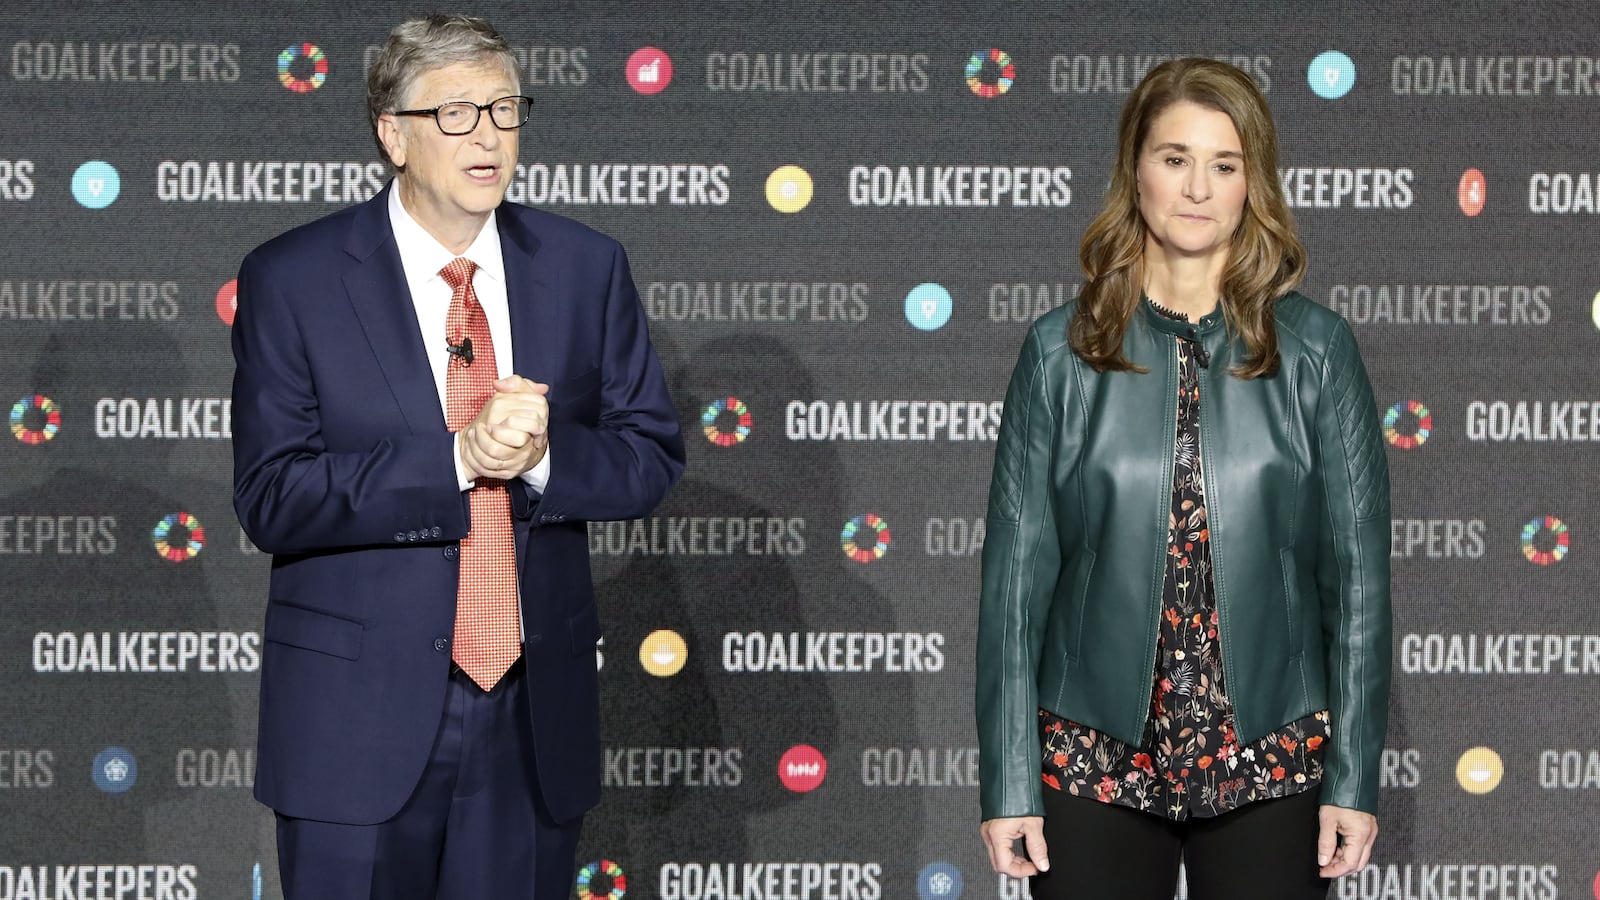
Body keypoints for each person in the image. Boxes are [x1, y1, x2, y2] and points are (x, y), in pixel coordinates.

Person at [230, 14, 684, 899]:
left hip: (527, 720)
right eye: (457, 114)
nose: (488, 135)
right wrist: (455, 459)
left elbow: (648, 458)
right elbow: (271, 495)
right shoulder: (294, 277)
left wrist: (548, 456)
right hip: (352, 728)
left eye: (506, 110)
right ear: (391, 134)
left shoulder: (585, 266)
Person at [975, 58, 1390, 899]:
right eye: (1174, 158)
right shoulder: (1059, 351)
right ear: (1136, 169)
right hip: (1094, 756)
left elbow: (1357, 585)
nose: (1197, 187)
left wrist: (1352, 775)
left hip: (1272, 753)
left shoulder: (1317, 350)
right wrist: (1010, 780)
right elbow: (1016, 586)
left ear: (1253, 183)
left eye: (1224, 164)